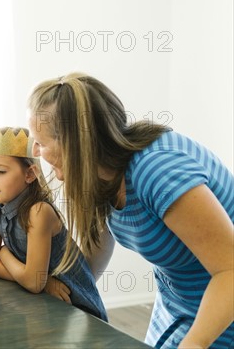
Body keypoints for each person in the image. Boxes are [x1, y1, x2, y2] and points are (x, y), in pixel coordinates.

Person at [27, 73, 233, 348]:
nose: (36, 151)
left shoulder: (157, 171)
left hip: (221, 306)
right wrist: (61, 291)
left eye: (41, 142)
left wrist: (193, 344)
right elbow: (95, 251)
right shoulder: (102, 175)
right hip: (176, 301)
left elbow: (230, 270)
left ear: (75, 143)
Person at [0, 127, 108, 320]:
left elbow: (31, 281)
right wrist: (44, 282)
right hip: (42, 301)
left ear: (29, 174)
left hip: (76, 308)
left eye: (1, 171)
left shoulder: (38, 212)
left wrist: (3, 253)